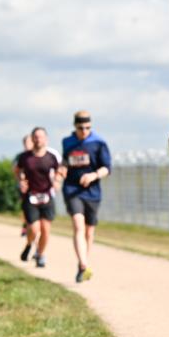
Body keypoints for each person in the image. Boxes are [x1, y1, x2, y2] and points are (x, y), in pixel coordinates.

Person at [60, 111, 112, 283]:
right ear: (75, 126)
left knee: (89, 232)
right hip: (72, 189)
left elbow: (107, 168)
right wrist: (63, 168)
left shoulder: (98, 142)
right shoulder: (68, 142)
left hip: (92, 192)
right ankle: (83, 264)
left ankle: (83, 263)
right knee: (78, 225)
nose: (84, 131)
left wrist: (93, 176)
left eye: (88, 127)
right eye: (81, 127)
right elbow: (66, 161)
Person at [17, 127, 62, 268]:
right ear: (32, 139)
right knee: (34, 229)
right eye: (35, 137)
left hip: (47, 196)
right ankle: (29, 244)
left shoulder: (51, 157)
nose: (38, 139)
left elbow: (59, 171)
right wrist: (21, 181)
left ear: (46, 139)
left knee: (46, 230)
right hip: (31, 196)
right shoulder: (25, 157)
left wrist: (57, 181)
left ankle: (41, 254)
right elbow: (18, 171)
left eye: (41, 137)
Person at [12, 134, 34, 237]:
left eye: (29, 142)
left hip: (37, 186)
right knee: (25, 207)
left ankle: (33, 225)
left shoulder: (37, 155)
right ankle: (26, 225)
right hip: (23, 187)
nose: (27, 144)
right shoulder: (20, 156)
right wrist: (20, 181)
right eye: (25, 143)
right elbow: (14, 170)